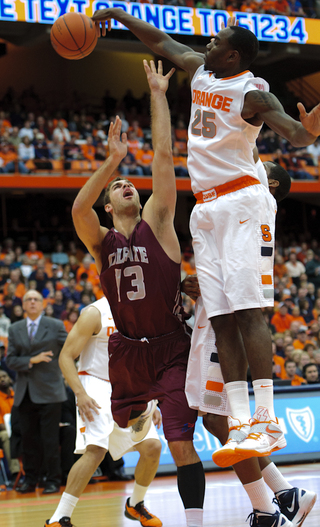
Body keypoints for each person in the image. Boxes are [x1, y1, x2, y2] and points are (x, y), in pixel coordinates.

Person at [92, 9, 320, 468]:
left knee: (248, 309)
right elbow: (161, 42)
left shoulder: (252, 92)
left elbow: (293, 132)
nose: (207, 43)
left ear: (233, 54)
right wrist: (118, 14)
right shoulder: (201, 70)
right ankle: (240, 423)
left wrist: (308, 131)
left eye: (215, 41)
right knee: (219, 315)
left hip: (241, 203)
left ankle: (265, 417)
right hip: (206, 209)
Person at [71, 62, 205, 527]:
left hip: (170, 345)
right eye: (117, 187)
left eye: (129, 182)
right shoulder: (99, 241)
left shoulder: (160, 223)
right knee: (128, 430)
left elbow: (163, 155)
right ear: (109, 206)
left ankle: (194, 521)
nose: (127, 184)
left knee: (179, 441)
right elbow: (77, 207)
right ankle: (140, 411)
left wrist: (158, 94)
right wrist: (110, 161)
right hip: (125, 353)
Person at [46, 296, 163, 527]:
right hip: (96, 383)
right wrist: (80, 393)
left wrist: (153, 400)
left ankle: (135, 504)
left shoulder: (142, 310)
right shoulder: (95, 312)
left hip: (132, 388)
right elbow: (66, 357)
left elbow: (146, 359)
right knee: (96, 449)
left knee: (152, 448)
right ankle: (59, 517)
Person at [6, 289, 67, 494]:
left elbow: (70, 349)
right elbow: (10, 360)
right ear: (23, 305)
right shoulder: (15, 329)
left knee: (50, 440)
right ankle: (30, 480)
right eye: (28, 299)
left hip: (50, 391)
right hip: (25, 392)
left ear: (43, 304)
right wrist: (32, 359)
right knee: (28, 439)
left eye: (36, 299)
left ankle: (52, 480)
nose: (32, 302)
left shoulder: (56, 325)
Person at [0, 369, 20, 480]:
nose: (2, 379)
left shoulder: (17, 395)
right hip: (3, 431)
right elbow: (1, 424)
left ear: (10, 379)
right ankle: (16, 473)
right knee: (6, 436)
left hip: (18, 428)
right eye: (0, 378)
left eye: (4, 376)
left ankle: (40, 473)